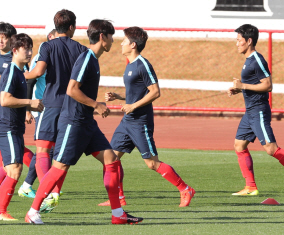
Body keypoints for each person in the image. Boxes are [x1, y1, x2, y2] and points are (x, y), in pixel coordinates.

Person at [25, 19, 143, 225]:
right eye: (111, 37)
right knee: (59, 167)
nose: (113, 41)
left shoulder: (93, 59)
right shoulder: (86, 58)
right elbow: (72, 89)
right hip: (73, 123)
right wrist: (95, 104)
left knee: (112, 161)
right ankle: (33, 212)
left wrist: (92, 109)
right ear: (102, 37)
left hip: (86, 123)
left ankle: (118, 214)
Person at [104, 27, 195, 207]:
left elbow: (155, 92)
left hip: (140, 122)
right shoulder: (129, 64)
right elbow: (137, 93)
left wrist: (133, 106)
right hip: (127, 122)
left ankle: (185, 189)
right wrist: (119, 97)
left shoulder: (143, 64)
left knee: (152, 163)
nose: (121, 43)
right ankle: (119, 199)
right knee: (111, 158)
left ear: (132, 44)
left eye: (124, 41)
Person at [227, 24, 284, 197]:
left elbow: (268, 85)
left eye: (239, 40)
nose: (236, 43)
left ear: (249, 41)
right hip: (250, 111)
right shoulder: (248, 61)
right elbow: (255, 84)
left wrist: (243, 85)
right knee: (239, 145)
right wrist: (240, 89)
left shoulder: (257, 59)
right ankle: (250, 187)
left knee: (271, 148)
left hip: (258, 110)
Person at [24, 9, 88, 212]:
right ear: (71, 27)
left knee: (43, 151)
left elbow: (38, 72)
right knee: (60, 157)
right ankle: (54, 193)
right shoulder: (81, 49)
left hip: (50, 104)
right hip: (72, 106)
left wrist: (18, 74)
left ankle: (48, 193)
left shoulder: (47, 46)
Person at [0, 23, 35, 216]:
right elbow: (5, 99)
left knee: (9, 166)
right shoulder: (11, 71)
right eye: (25, 49)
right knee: (15, 169)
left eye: (30, 49)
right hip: (7, 126)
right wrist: (30, 104)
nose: (29, 52)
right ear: (15, 50)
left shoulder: (19, 71)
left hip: (15, 127)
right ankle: (1, 212)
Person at [18, 27, 58, 199]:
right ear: (51, 37)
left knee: (49, 149)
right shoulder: (42, 55)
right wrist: (28, 110)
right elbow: (30, 81)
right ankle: (35, 187)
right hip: (41, 107)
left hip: (53, 108)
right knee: (44, 148)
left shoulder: (57, 56)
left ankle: (31, 185)